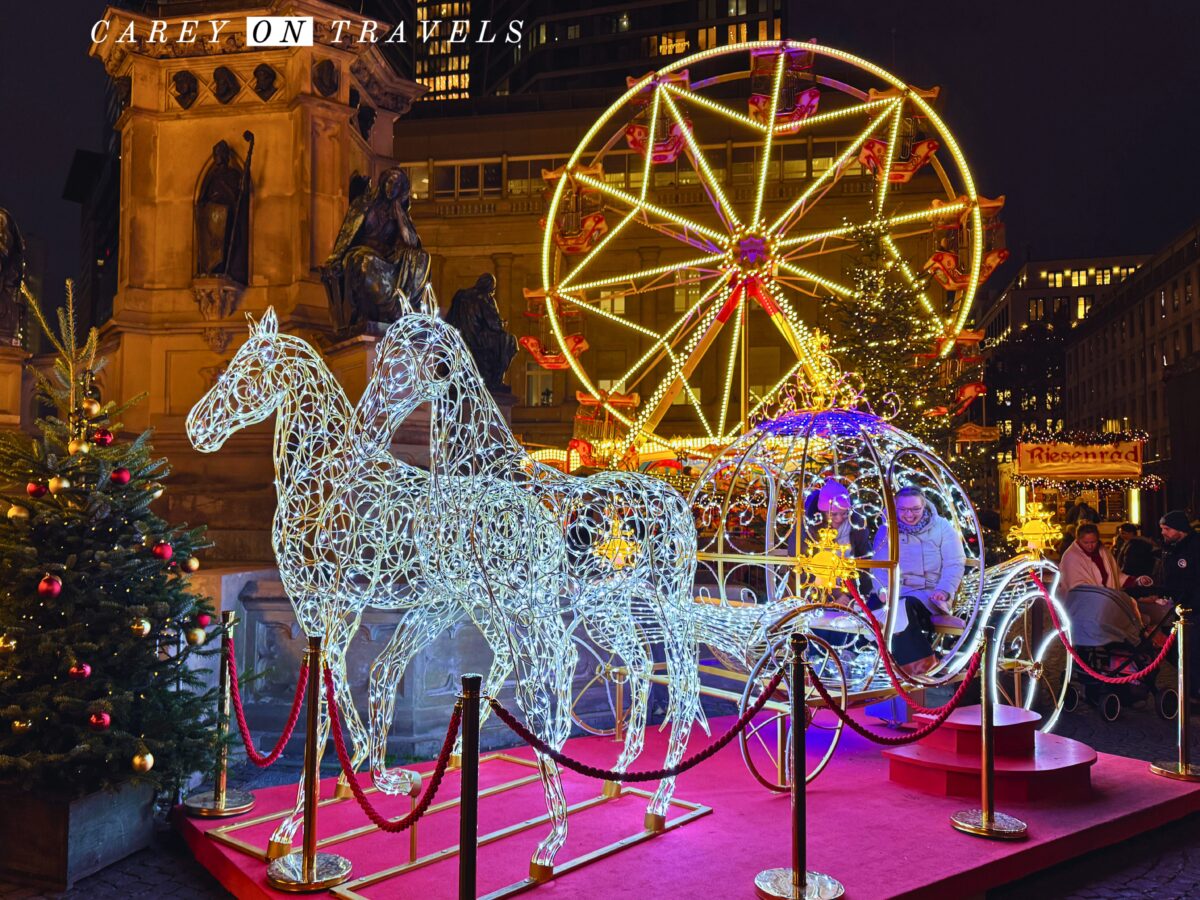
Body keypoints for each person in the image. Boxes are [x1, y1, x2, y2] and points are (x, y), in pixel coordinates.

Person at [872, 486, 965, 676]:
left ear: (924, 506)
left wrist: (945, 590)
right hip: (896, 591)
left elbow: (954, 563)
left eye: (915, 509)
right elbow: (879, 565)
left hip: (929, 593)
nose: (909, 515)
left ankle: (918, 668)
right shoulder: (886, 530)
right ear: (895, 508)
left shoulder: (942, 527)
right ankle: (918, 665)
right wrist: (882, 590)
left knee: (902, 608)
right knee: (876, 608)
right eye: (903, 509)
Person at [1059, 523, 1149, 628]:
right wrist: (1102, 598)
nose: (1090, 546)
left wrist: (1136, 580)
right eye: (1086, 542)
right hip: (1088, 607)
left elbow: (1115, 575)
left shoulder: (1103, 551)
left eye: (1093, 542)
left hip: (1108, 600)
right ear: (1078, 540)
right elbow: (1076, 588)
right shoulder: (1070, 556)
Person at [1151, 511, 1200, 700]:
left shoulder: (1193, 547)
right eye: (1162, 528)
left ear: (1180, 529)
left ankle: (1193, 692)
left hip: (1193, 607)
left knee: (1193, 650)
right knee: (1181, 649)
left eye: (1167, 529)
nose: (1163, 532)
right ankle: (1190, 688)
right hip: (1179, 606)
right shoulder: (1172, 547)